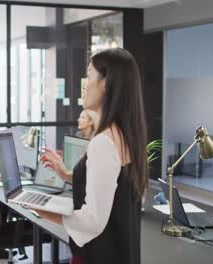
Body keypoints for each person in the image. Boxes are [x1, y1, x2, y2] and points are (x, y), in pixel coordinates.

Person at [39, 48, 148, 264]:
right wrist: (66, 174)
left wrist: (41, 209)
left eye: (89, 76)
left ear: (105, 84)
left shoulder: (104, 142)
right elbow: (113, 189)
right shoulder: (127, 136)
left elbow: (92, 221)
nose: (84, 84)